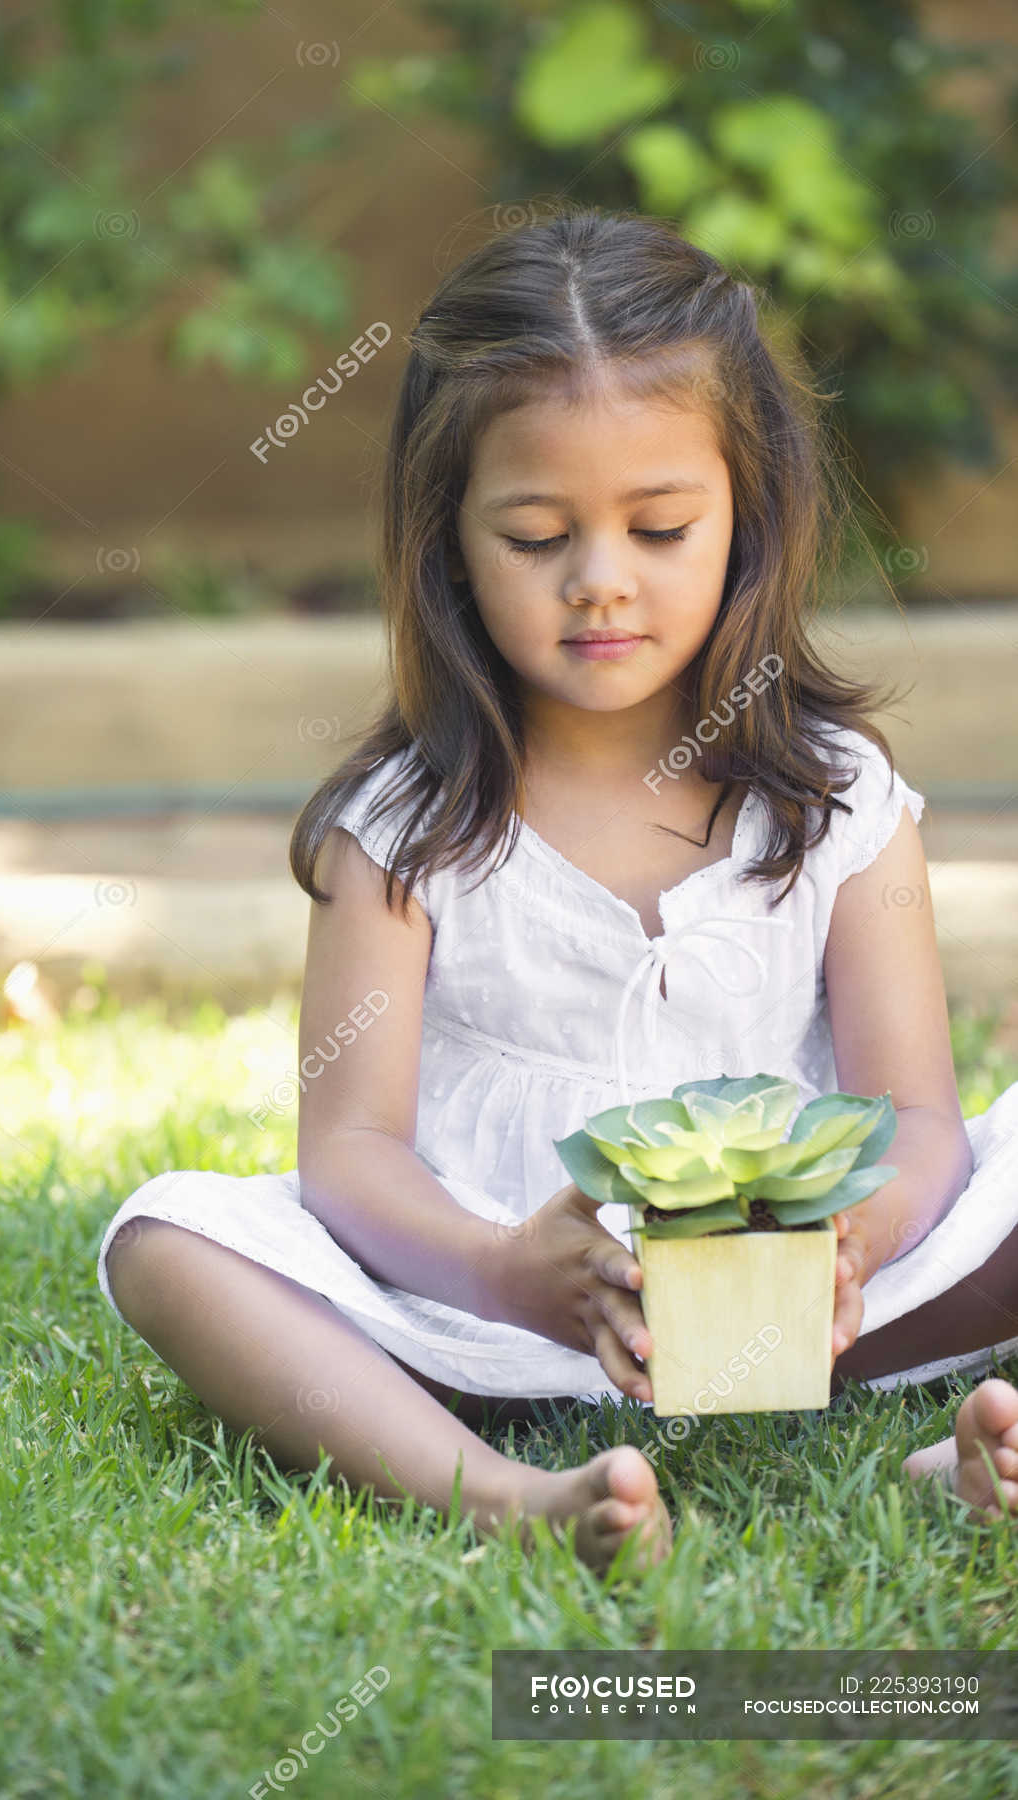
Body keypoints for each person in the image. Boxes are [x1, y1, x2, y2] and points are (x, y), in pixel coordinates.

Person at [97, 208, 1018, 1576]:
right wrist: (507, 1270)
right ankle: (499, 1496)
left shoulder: (834, 799)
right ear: (446, 537)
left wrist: (848, 1245)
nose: (599, 584)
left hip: (832, 1315)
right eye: (534, 536)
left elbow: (917, 1119)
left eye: (658, 528)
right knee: (168, 1243)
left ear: (748, 512)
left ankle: (959, 1464)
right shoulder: (402, 832)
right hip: (505, 1331)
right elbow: (347, 1153)